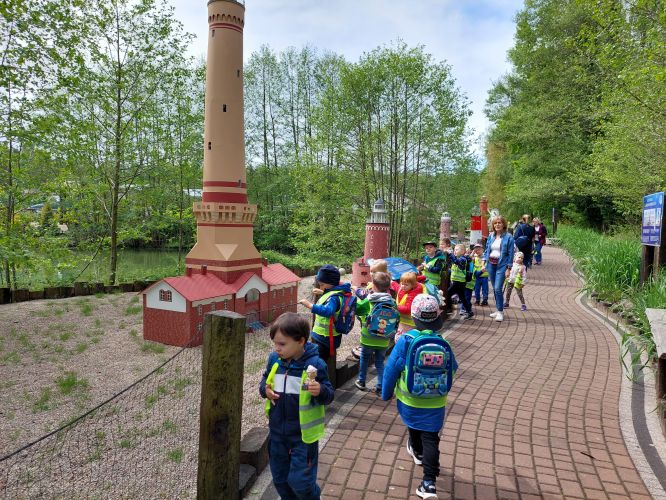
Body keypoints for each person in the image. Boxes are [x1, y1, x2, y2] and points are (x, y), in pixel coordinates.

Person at [382, 294, 458, 500]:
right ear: (437, 318)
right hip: (436, 401)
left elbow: (391, 370)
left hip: (410, 398)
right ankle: (428, 483)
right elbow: (453, 368)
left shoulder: (406, 340)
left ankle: (417, 450)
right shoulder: (443, 342)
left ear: (414, 318)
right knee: (431, 437)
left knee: (413, 423)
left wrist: (386, 393)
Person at [259, 312, 335, 499]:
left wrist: (320, 391)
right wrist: (265, 391)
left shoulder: (314, 365)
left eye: (282, 344)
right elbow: (265, 382)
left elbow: (329, 394)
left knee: (300, 482)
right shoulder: (274, 360)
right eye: (275, 343)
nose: (277, 348)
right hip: (277, 434)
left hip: (303, 437)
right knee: (280, 480)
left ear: (301, 341)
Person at [354, 272, 399, 393]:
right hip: (384, 338)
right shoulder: (392, 302)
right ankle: (380, 385)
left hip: (368, 337)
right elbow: (397, 317)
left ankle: (361, 381)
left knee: (364, 359)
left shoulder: (368, 301)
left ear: (373, 285)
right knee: (380, 362)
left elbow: (356, 309)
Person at [298, 264, 352, 360]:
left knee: (318, 363)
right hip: (324, 336)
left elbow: (328, 311)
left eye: (322, 285)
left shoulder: (334, 298)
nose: (320, 286)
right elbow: (331, 296)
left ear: (331, 283)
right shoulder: (335, 292)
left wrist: (310, 305)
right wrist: (322, 292)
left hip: (326, 338)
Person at [481, 215, 515, 322]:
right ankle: (498, 309)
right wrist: (484, 262)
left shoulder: (509, 237)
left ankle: (500, 311)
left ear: (503, 224)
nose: (497, 225)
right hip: (491, 264)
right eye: (495, 223)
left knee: (497, 288)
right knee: (495, 288)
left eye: (499, 222)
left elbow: (511, 254)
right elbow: (487, 250)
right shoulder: (491, 236)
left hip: (502, 265)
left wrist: (509, 268)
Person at [390, 271, 424, 341]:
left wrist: (395, 307)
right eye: (402, 283)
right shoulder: (403, 288)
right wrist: (391, 282)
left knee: (403, 339)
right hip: (402, 321)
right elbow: (397, 287)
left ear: (413, 285)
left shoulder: (413, 294)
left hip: (409, 323)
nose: (403, 286)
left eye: (406, 285)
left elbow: (408, 309)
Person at [445, 244, 474, 320]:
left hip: (458, 282)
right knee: (462, 298)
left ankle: (449, 310)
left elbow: (456, 261)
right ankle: (469, 312)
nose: (455, 251)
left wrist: (450, 253)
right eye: (454, 250)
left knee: (448, 294)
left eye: (457, 249)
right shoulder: (457, 258)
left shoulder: (463, 259)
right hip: (458, 282)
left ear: (463, 252)